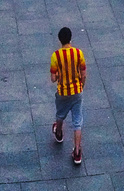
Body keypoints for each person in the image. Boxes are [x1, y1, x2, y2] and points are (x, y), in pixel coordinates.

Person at [50, 26, 86, 166]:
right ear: (70, 38)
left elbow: (53, 78)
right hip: (77, 91)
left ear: (60, 40)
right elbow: (83, 74)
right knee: (77, 122)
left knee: (60, 114)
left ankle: (59, 133)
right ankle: (77, 152)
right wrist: (80, 87)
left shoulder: (55, 56)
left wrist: (60, 74)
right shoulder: (78, 53)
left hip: (63, 92)